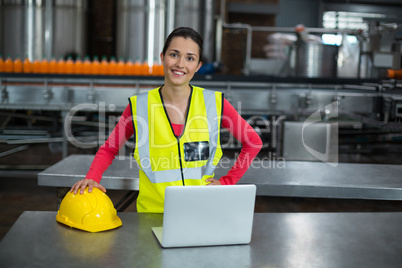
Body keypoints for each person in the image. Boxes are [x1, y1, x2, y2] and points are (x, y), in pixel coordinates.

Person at [71, 27, 262, 213]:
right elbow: (110, 148)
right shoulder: (140, 106)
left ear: (198, 66)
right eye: (174, 54)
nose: (180, 64)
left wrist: (226, 182)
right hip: (153, 214)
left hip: (201, 212)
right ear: (162, 57)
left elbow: (253, 141)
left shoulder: (215, 104)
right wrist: (92, 177)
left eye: (190, 58)